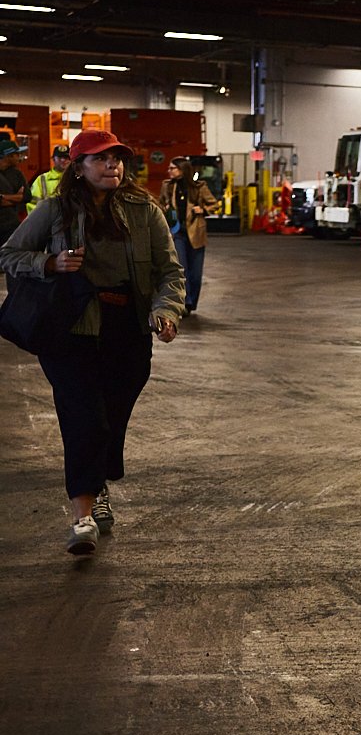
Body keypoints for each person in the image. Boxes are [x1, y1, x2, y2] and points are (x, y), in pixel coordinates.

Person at [1, 130, 182, 557]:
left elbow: (170, 272)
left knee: (111, 418)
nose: (112, 166)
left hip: (127, 330)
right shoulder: (55, 209)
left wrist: (166, 311)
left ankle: (98, 481)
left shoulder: (144, 210)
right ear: (78, 168)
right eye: (100, 160)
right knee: (85, 418)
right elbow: (8, 254)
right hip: (70, 330)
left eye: (117, 159)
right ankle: (82, 516)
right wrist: (50, 261)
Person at [157, 157, 218, 318]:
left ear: (182, 169)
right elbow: (160, 204)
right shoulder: (168, 186)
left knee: (195, 273)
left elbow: (214, 204)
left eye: (172, 168)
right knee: (181, 268)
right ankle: (185, 302)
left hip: (196, 233)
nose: (169, 171)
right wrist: (165, 207)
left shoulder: (199, 187)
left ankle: (192, 303)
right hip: (177, 233)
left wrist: (202, 210)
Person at [0, 140, 29, 250]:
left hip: (12, 226)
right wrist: (16, 198)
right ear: (8, 156)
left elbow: (26, 196)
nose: (20, 157)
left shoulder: (17, 173)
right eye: (17, 154)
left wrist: (3, 197)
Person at [26, 143, 68, 213]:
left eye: (67, 157)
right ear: (53, 159)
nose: (63, 160)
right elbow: (32, 204)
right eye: (60, 157)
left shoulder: (77, 178)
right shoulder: (42, 179)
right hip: (49, 221)